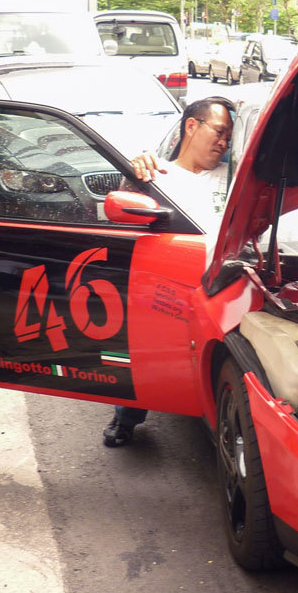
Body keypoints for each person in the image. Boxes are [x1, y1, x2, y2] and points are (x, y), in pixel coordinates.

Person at [102, 96, 236, 448]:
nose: (224, 143)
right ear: (192, 126)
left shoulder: (233, 174)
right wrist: (132, 172)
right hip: (169, 280)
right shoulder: (155, 173)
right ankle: (126, 417)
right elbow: (121, 216)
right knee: (149, 353)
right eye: (219, 132)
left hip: (225, 280)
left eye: (228, 138)